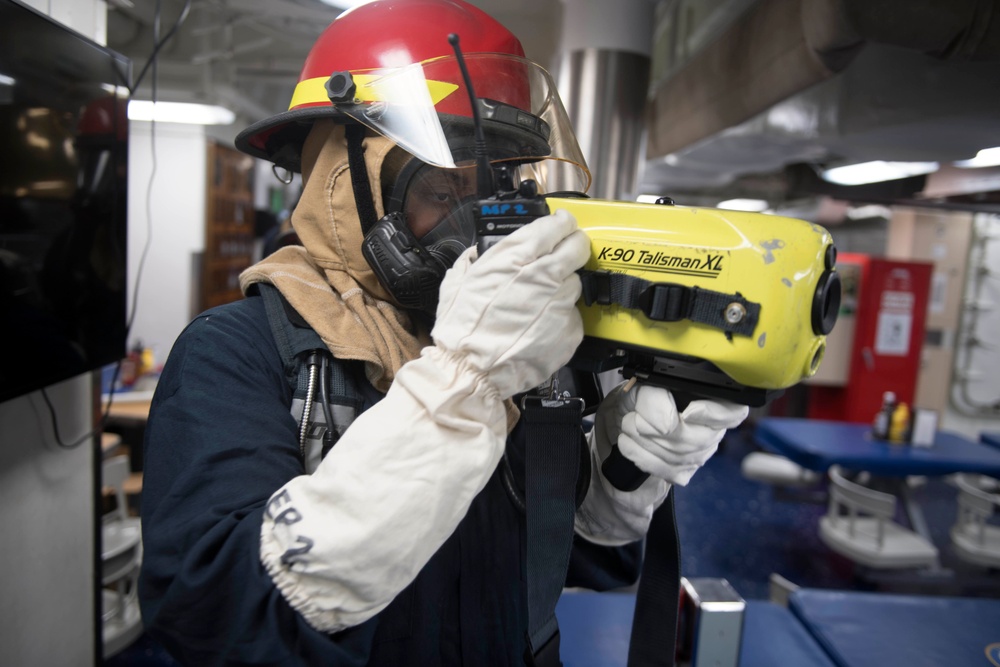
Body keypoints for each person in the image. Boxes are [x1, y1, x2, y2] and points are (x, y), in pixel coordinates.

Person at [137, 1, 749, 665]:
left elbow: (566, 563)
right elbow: (216, 613)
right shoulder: (236, 353)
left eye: (494, 192)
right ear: (343, 188)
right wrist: (463, 378)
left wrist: (624, 469)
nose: (475, 227)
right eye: (439, 190)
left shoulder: (527, 345)